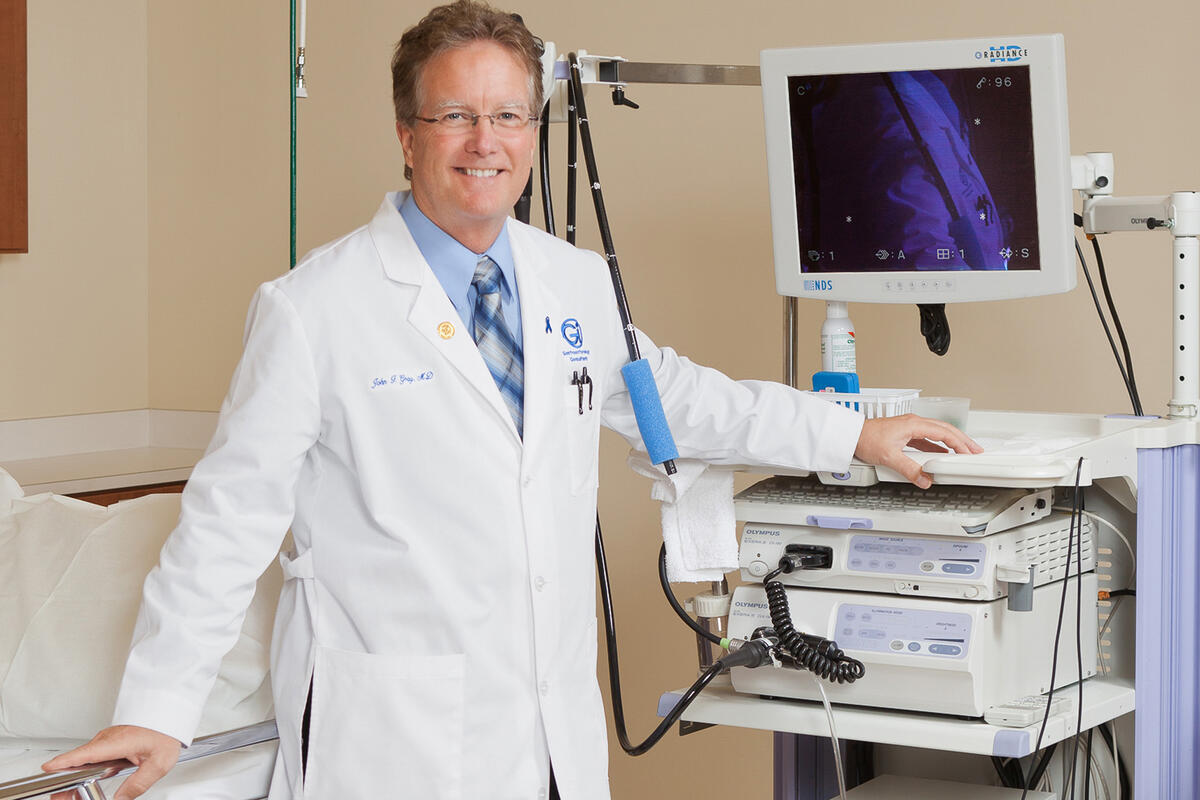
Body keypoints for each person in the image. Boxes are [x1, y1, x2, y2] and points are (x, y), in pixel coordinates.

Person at [44, 2, 981, 798]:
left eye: (508, 116)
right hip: (396, 742)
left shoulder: (574, 282)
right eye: (454, 115)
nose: (484, 143)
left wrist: (852, 430)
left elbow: (679, 400)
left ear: (533, 130)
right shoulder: (312, 309)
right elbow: (225, 524)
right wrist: (155, 711)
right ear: (407, 133)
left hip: (549, 731)